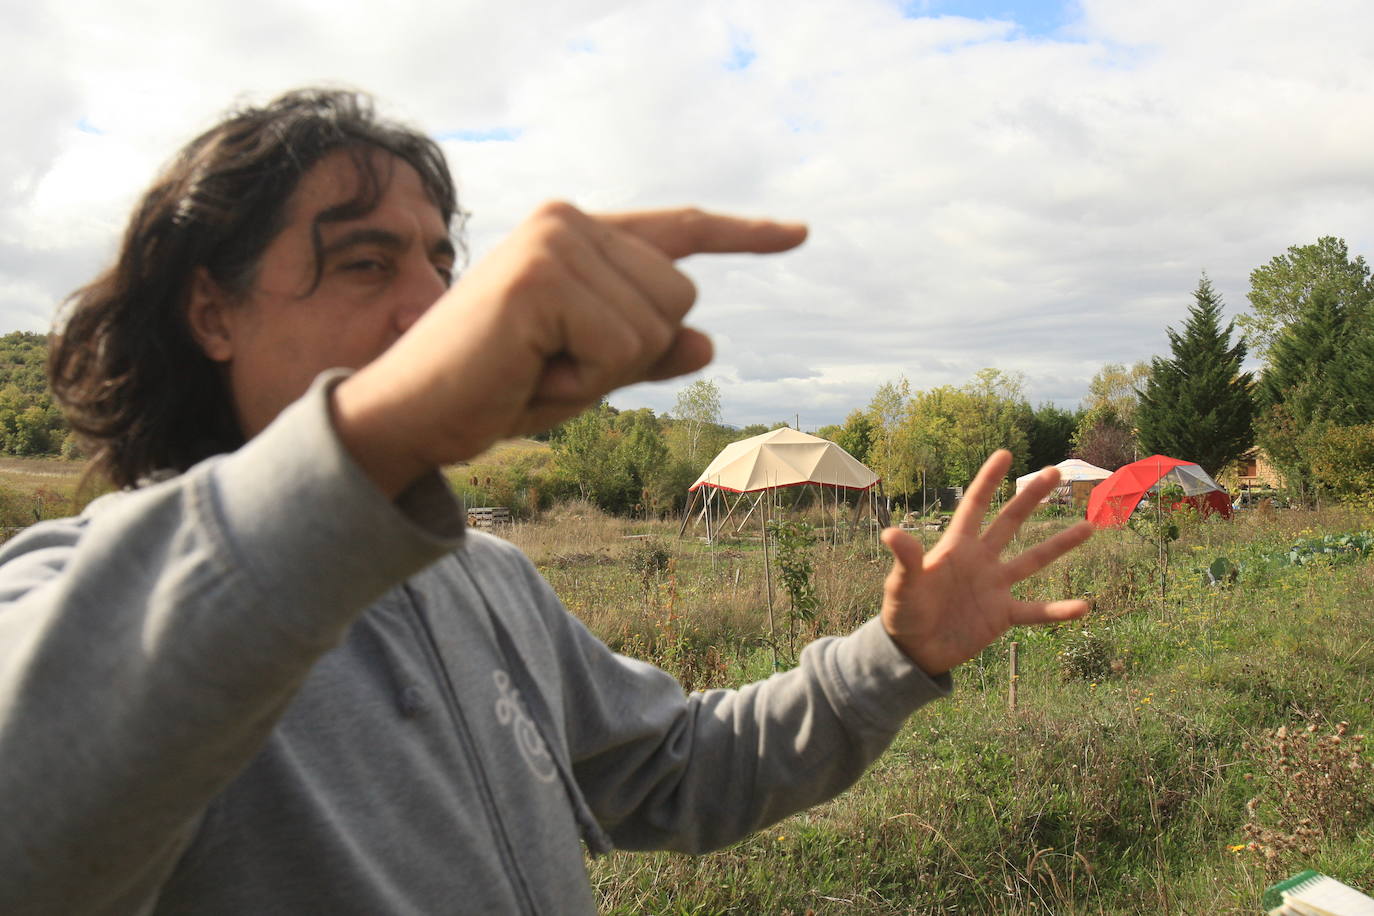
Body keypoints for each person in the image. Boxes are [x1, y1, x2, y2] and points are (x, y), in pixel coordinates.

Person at [0, 88, 1092, 914]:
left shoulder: (485, 577)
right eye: (366, 264)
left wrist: (895, 657)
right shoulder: (65, 592)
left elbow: (677, 769)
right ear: (211, 310)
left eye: (442, 263)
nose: (434, 304)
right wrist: (384, 431)